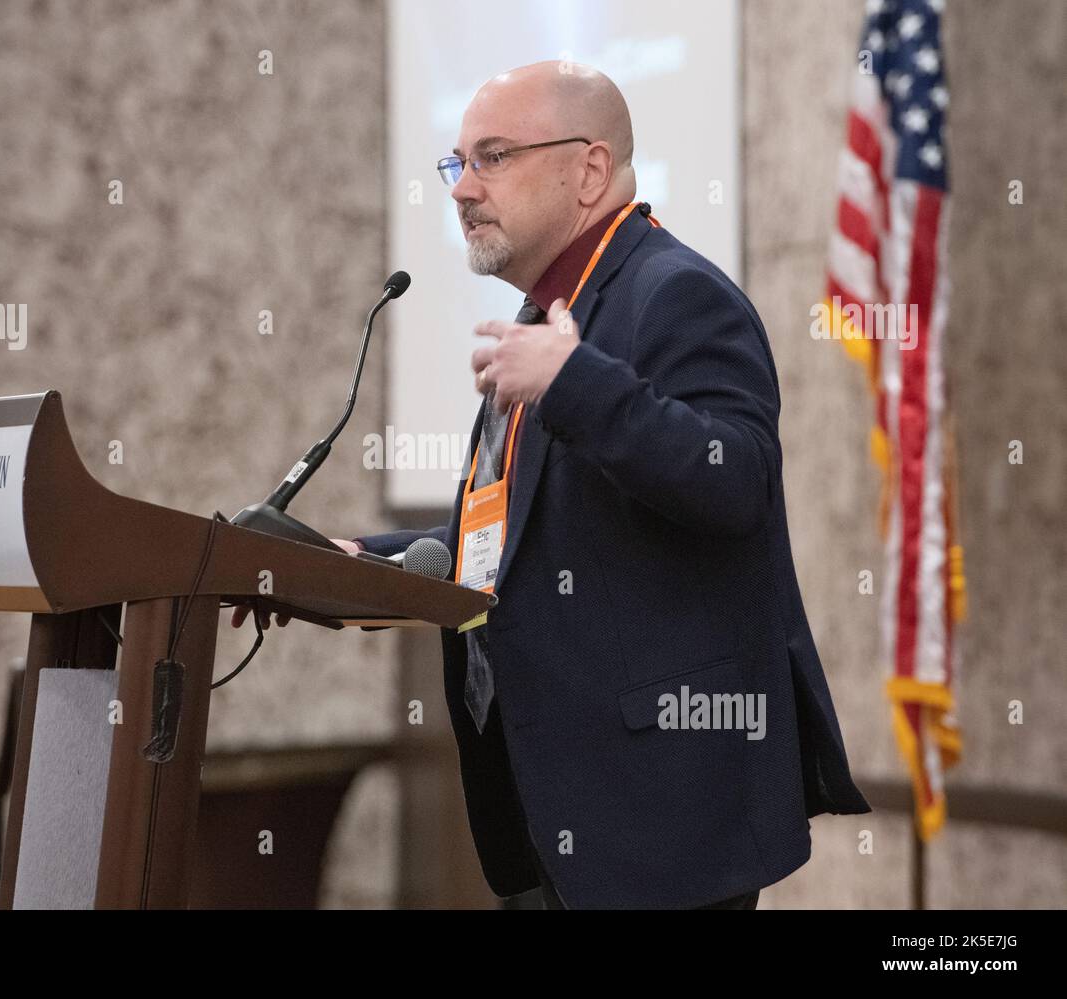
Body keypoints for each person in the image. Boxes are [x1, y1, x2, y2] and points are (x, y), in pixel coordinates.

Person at [237, 61, 871, 909]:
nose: (462, 188)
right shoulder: (542, 319)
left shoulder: (675, 293)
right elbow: (506, 543)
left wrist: (575, 381)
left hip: (657, 820)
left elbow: (737, 482)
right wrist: (347, 559)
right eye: (455, 162)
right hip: (550, 809)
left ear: (589, 171)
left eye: (493, 156)